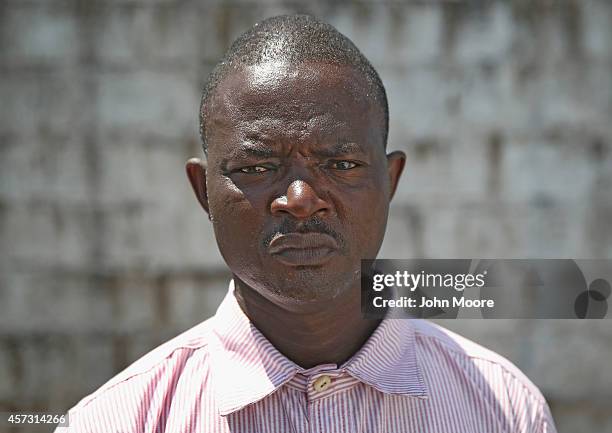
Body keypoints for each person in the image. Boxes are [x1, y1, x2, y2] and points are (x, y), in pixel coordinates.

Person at [57, 14, 557, 433]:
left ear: (391, 180)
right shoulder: (117, 420)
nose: (300, 200)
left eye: (341, 165)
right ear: (202, 191)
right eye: (256, 169)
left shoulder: (503, 409)